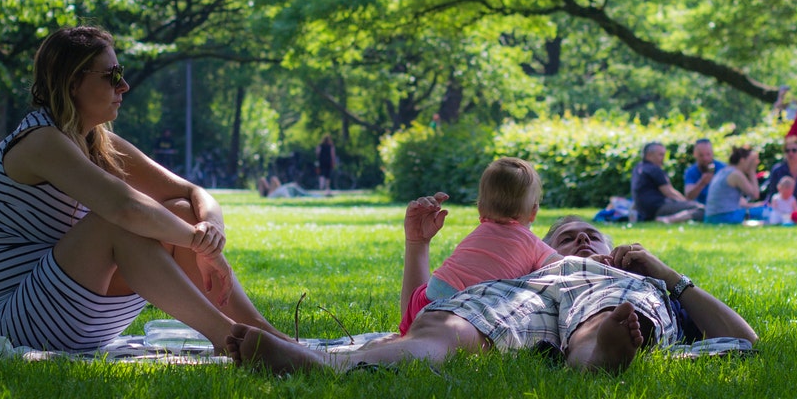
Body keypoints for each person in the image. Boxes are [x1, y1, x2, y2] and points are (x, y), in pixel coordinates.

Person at [0, 26, 287, 354]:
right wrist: (199, 244)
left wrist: (210, 230)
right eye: (112, 74)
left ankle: (263, 334)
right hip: (9, 323)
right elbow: (125, 208)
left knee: (181, 211)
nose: (124, 85)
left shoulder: (97, 141)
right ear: (72, 82)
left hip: (71, 309)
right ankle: (234, 340)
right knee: (116, 223)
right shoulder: (41, 141)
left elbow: (193, 193)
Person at [227, 211, 758, 375]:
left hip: (611, 292)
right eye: (565, 234)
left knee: (603, 317)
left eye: (591, 234)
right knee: (444, 326)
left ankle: (596, 352)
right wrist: (417, 245)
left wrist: (659, 270)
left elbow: (743, 338)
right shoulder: (526, 264)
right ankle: (328, 366)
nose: (580, 239)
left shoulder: (636, 276)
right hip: (525, 291)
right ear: (541, 244)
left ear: (614, 244)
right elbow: (419, 307)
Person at [399, 159, 559, 334]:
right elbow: (564, 266)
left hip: (425, 300)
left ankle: (411, 335)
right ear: (534, 211)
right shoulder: (531, 243)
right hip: (464, 312)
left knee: (423, 299)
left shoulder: (479, 232)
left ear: (480, 208)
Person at [631, 142, 704, 223]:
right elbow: (670, 193)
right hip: (658, 208)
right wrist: (686, 202)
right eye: (661, 155)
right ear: (649, 155)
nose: (663, 158)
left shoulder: (638, 168)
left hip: (645, 212)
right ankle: (669, 220)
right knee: (701, 209)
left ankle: (669, 218)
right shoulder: (654, 169)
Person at [703, 146, 766, 224]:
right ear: (742, 160)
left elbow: (738, 202)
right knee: (766, 212)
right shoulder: (736, 174)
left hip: (711, 218)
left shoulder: (724, 171)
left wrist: (754, 205)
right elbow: (755, 195)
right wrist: (752, 171)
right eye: (751, 161)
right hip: (725, 217)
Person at [765, 134, 797, 201]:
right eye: (787, 151)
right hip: (782, 209)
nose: (790, 153)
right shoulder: (777, 170)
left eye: (794, 150)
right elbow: (772, 194)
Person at [682, 138, 726, 204]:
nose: (705, 158)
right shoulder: (690, 172)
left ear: (712, 153)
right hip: (701, 208)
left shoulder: (723, 168)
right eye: (701, 155)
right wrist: (702, 183)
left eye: (708, 154)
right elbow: (689, 197)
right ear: (695, 154)